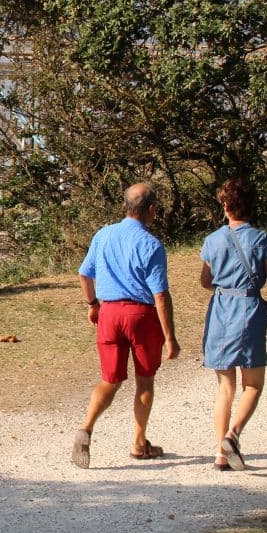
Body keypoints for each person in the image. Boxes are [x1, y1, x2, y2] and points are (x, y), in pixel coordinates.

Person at [71, 182, 180, 468]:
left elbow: (84, 274)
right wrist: (170, 337)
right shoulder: (151, 244)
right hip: (140, 316)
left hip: (109, 314)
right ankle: (139, 442)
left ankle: (87, 427)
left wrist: (93, 305)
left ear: (126, 206)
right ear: (152, 210)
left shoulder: (104, 234)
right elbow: (160, 294)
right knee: (145, 380)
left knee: (110, 379)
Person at [199, 178, 267, 471]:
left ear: (225, 206)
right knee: (253, 384)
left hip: (221, 309)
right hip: (249, 308)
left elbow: (204, 281)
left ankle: (220, 455)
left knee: (225, 386)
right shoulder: (261, 240)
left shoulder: (212, 240)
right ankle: (233, 434)